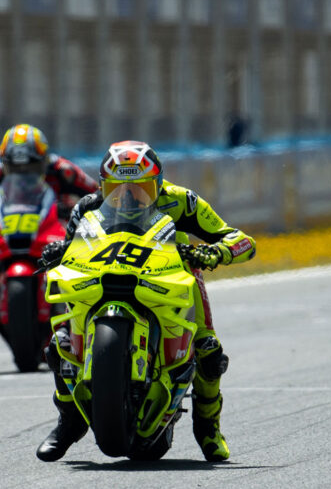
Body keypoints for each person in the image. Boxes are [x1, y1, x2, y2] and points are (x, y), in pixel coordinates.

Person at [35, 141, 257, 462]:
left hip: (170, 276)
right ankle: (69, 422)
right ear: (103, 185)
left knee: (209, 350)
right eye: (116, 189)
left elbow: (240, 239)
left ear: (158, 184)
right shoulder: (87, 206)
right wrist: (57, 250)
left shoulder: (182, 201)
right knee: (60, 344)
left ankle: (208, 427)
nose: (128, 196)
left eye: (140, 189)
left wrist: (214, 252)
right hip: (104, 275)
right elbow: (72, 247)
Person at [0, 123, 98, 373]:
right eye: (16, 167)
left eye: (30, 167)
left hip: (52, 232)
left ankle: (80, 340)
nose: (23, 172)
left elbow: (98, 195)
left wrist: (77, 210)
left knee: (78, 274)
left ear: (43, 160)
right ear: (5, 162)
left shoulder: (63, 170)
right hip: (9, 231)